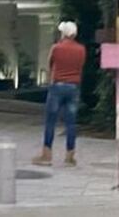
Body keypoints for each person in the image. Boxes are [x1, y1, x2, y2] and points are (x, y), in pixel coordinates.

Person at [33, 21, 86, 167]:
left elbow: (50, 64)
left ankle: (46, 155)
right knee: (71, 123)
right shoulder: (81, 49)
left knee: (51, 121)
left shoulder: (56, 48)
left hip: (57, 86)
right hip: (74, 87)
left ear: (64, 33)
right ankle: (69, 156)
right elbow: (81, 66)